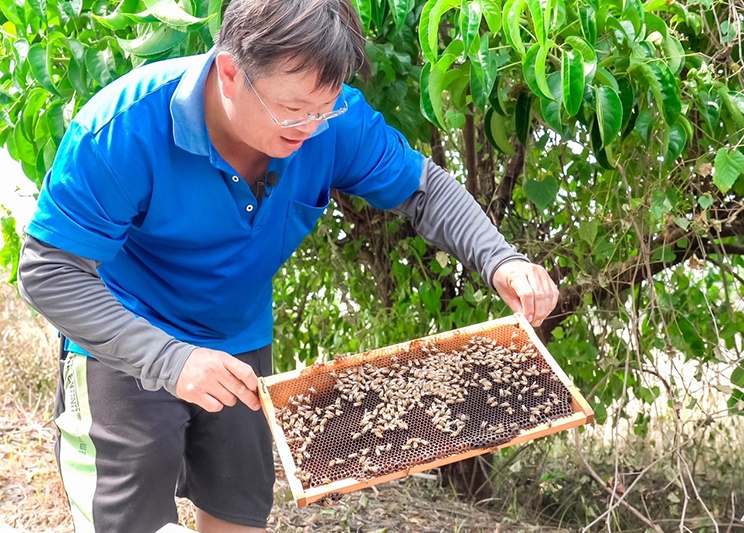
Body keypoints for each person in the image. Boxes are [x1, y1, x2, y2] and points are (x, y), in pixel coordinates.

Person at [17, 0, 559, 531]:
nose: (308, 127)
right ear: (230, 72)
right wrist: (170, 359)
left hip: (239, 336)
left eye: (324, 109)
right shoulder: (122, 128)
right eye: (292, 110)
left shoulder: (329, 121)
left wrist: (500, 260)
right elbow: (48, 270)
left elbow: (425, 190)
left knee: (238, 512)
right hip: (125, 337)